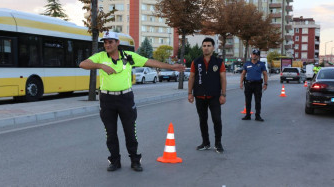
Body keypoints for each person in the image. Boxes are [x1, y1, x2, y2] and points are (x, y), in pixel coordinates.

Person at [79, 31, 184, 172]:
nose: (107, 45)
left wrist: (171, 67)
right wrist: (101, 66)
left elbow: (149, 61)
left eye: (110, 42)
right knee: (110, 133)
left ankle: (135, 160)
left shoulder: (129, 57)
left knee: (130, 132)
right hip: (107, 99)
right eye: (105, 42)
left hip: (125, 98)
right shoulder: (101, 57)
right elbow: (83, 64)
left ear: (117, 43)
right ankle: (115, 161)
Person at [187, 37, 227, 153]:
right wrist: (190, 93)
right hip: (199, 96)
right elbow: (192, 77)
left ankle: (218, 143)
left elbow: (223, 78)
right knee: (202, 120)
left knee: (217, 120)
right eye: (204, 46)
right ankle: (205, 143)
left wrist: (223, 94)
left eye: (209, 46)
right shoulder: (196, 61)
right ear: (202, 47)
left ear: (213, 48)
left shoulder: (218, 62)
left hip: (214, 96)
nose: (206, 48)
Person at [240, 49, 268, 122]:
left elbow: (265, 74)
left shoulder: (261, 64)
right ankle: (248, 115)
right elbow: (243, 73)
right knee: (248, 101)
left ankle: (257, 116)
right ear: (251, 55)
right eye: (253, 54)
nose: (254, 55)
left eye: (256, 54)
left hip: (257, 85)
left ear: (258, 56)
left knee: (258, 101)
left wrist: (265, 84)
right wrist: (241, 83)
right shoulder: (247, 64)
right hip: (248, 84)